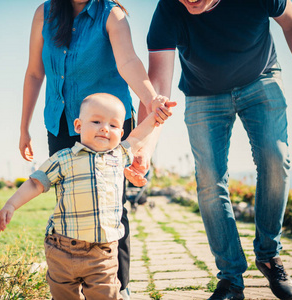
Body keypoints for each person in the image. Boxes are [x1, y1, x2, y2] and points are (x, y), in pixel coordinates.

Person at [137, 0, 292, 299]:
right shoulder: (168, 10)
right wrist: (142, 147)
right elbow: (158, 88)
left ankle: (269, 255)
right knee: (209, 181)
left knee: (276, 159)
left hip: (260, 78)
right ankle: (231, 278)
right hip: (203, 93)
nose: (189, 0)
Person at [18, 1, 172, 297]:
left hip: (108, 127)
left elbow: (128, 62)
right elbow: (35, 72)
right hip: (63, 124)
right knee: (70, 202)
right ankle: (72, 281)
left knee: (111, 205)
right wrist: (23, 126)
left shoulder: (111, 14)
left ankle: (119, 286)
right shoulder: (44, 13)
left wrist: (151, 99)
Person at [0, 93, 175, 300]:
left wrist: (155, 114)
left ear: (121, 132)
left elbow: (138, 136)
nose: (104, 128)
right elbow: (36, 183)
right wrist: (11, 205)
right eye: (97, 121)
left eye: (113, 125)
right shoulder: (64, 158)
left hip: (102, 253)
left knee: (106, 296)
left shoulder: (119, 155)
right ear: (79, 125)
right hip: (62, 250)